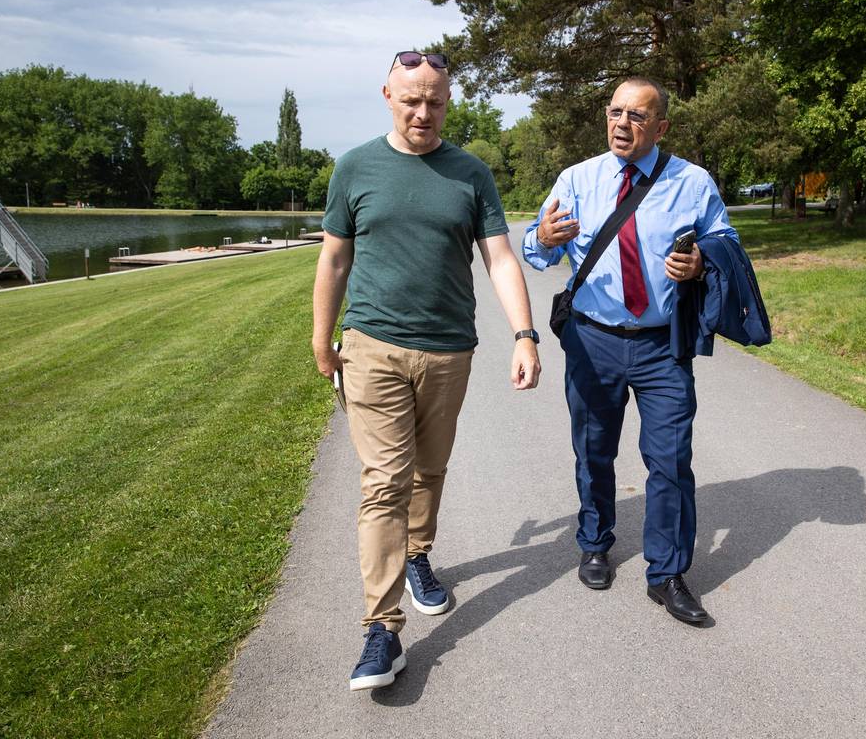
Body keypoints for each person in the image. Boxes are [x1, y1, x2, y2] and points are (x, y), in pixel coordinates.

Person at [312, 50, 541, 691]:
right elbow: (334, 260)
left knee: (429, 469)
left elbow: (499, 258)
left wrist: (524, 335)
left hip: (448, 351)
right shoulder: (355, 167)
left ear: (447, 102)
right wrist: (322, 340)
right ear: (387, 95)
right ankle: (381, 630)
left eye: (434, 101)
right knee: (385, 480)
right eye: (411, 99)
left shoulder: (470, 172)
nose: (422, 112)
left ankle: (417, 554)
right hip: (372, 346)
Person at [522, 76, 739, 625]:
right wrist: (543, 239)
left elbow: (726, 241)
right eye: (615, 112)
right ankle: (595, 542)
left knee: (670, 459)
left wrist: (701, 262)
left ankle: (667, 573)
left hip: (662, 346)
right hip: (592, 340)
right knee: (594, 449)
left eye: (637, 116)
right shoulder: (577, 179)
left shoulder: (692, 182)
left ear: (660, 128)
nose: (622, 123)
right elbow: (535, 250)